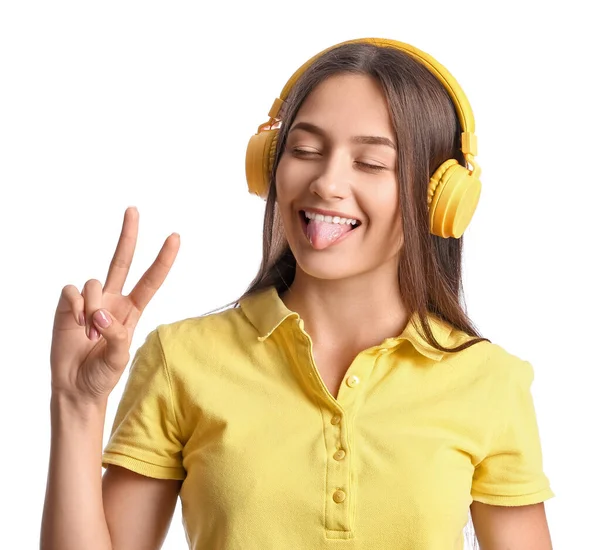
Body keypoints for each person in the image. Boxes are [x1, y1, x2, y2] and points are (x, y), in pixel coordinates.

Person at [40, 38, 555, 550]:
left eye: (371, 163)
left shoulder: (490, 382)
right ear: (269, 165)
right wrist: (78, 405)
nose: (326, 183)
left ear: (440, 197)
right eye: (305, 151)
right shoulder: (181, 359)